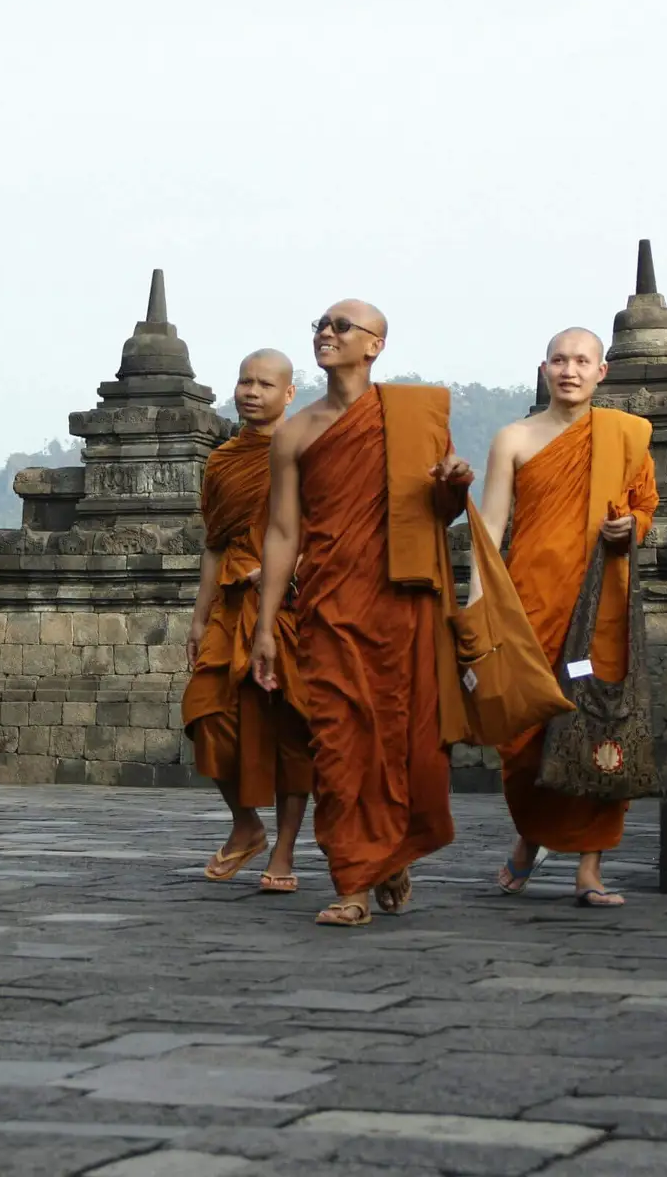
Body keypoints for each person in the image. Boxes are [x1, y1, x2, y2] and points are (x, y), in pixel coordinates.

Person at [252, 300, 474, 927]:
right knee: (338, 741)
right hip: (328, 601)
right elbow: (282, 530)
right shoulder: (295, 433)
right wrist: (267, 626)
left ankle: (393, 850)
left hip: (402, 601)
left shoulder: (413, 415)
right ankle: (352, 878)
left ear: (374, 345)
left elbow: (438, 507)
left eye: (341, 326)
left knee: (405, 738)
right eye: (320, 325)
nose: (326, 333)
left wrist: (453, 482)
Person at [478, 326, 657, 908]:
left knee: (601, 727)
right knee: (525, 737)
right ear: (544, 368)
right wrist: (475, 607)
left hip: (601, 604)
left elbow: (644, 507)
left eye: (582, 360)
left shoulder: (625, 437)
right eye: (560, 359)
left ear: (601, 372)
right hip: (530, 606)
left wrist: (630, 528)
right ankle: (532, 835)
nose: (570, 369)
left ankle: (589, 869)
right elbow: (490, 530)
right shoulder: (514, 439)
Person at [183, 349, 313, 894]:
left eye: (264, 384)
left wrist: (287, 570)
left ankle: (282, 852)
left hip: (293, 604)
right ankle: (245, 824)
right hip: (232, 601)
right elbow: (214, 545)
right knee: (204, 708)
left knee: (290, 727)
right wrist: (198, 616)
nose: (250, 391)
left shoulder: (310, 452)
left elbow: (327, 531)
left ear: (288, 395)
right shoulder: (223, 461)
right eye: (244, 382)